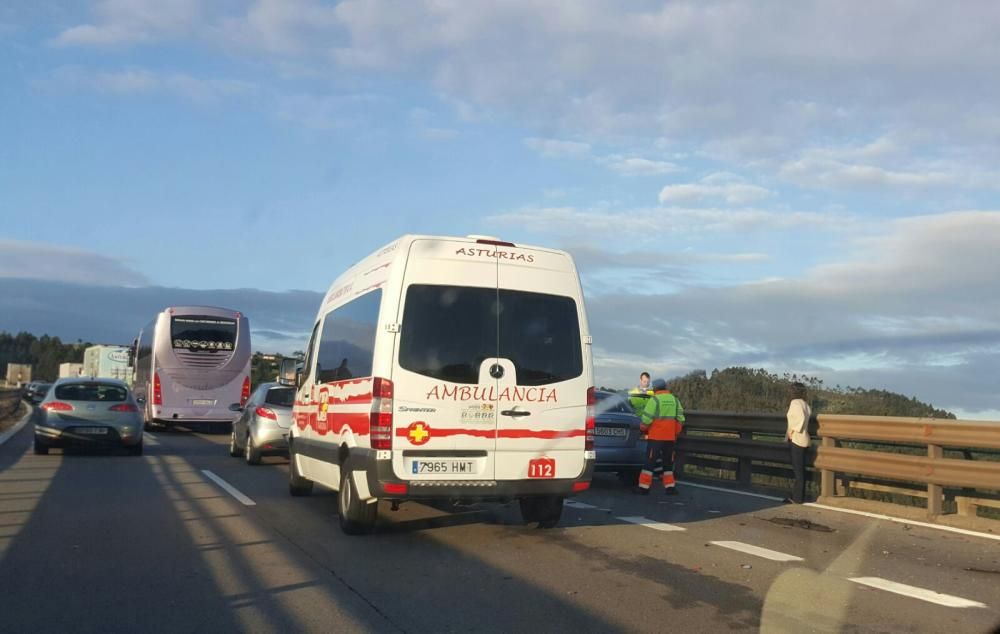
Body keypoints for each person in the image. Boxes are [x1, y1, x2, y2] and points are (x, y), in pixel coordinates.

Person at [635, 378, 685, 495]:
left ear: (655, 388)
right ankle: (670, 488)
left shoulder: (655, 400)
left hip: (656, 438)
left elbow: (646, 419)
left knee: (649, 462)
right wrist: (675, 433)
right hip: (670, 439)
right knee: (668, 463)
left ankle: (644, 487)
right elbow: (681, 419)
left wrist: (642, 429)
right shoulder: (675, 400)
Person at [785, 382, 811, 504]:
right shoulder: (805, 404)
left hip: (796, 439)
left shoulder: (795, 403)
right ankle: (799, 495)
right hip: (805, 439)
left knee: (798, 471)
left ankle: (797, 498)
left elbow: (799, 419)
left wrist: (792, 430)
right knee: (801, 470)